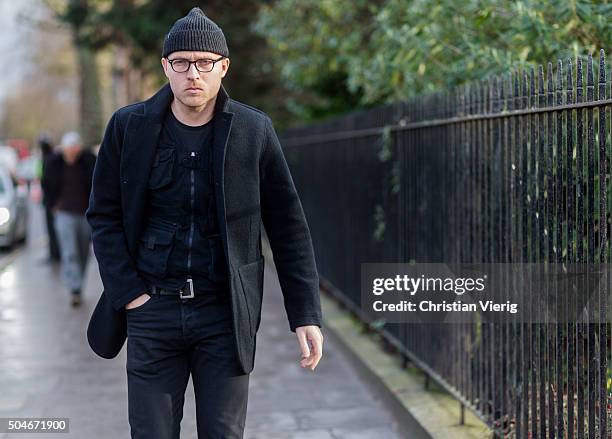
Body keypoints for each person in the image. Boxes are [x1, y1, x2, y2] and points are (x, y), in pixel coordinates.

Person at [85, 7, 324, 439]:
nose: (193, 73)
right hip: (152, 310)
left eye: (204, 63)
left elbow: (287, 225)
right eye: (181, 63)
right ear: (166, 67)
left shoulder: (254, 130)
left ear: (223, 67)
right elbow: (103, 215)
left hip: (224, 313)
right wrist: (130, 294)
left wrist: (305, 313)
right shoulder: (129, 128)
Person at [45, 131, 96, 306]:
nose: (72, 152)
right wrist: (53, 206)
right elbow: (47, 185)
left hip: (85, 215)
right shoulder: (55, 164)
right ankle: (74, 288)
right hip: (64, 214)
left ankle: (78, 282)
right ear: (63, 149)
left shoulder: (88, 162)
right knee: (69, 251)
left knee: (83, 251)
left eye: (75, 148)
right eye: (69, 148)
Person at [38, 134, 61, 262]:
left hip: (52, 202)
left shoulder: (49, 159)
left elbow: (49, 182)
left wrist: (53, 202)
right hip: (51, 201)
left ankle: (55, 253)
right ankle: (54, 252)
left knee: (53, 228)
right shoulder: (50, 158)